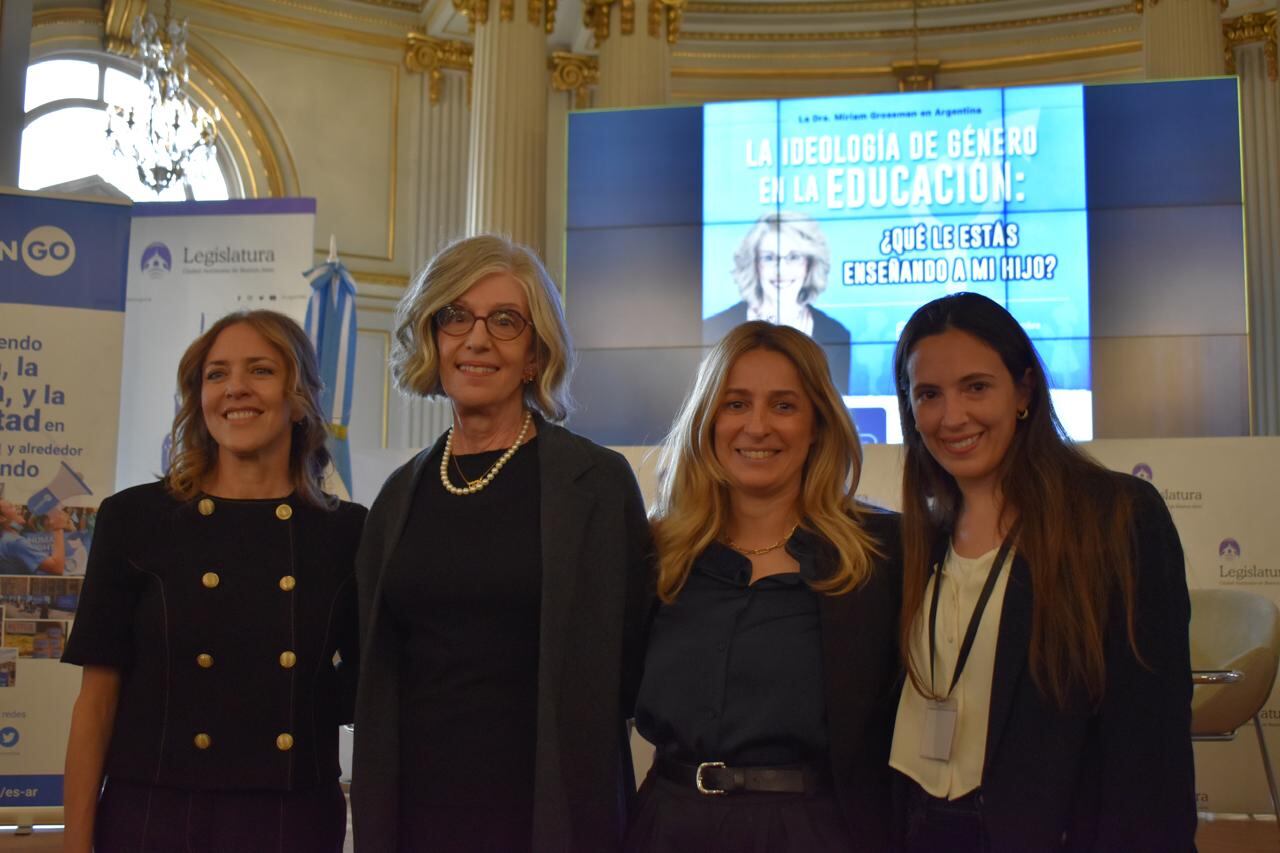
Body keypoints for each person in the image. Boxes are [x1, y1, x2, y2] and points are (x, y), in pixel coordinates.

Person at [351, 234, 653, 853]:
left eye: (505, 321)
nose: (477, 339)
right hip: (416, 810)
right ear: (434, 340)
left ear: (537, 355)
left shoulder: (594, 485)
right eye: (455, 316)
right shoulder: (396, 497)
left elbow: (629, 658)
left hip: (548, 810)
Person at [888, 292, 1195, 852]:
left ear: (1024, 389)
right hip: (925, 830)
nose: (951, 416)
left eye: (976, 387)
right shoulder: (916, 539)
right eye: (928, 394)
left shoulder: (1116, 519)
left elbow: (1150, 748)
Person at [61, 310, 366, 853]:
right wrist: (76, 844)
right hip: (153, 816)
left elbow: (370, 687)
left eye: (261, 371)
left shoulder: (349, 532)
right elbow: (96, 702)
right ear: (198, 398)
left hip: (291, 819)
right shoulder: (134, 519)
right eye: (217, 374)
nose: (236, 389)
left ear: (300, 399)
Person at [627, 321, 900, 852]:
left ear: (817, 423)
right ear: (708, 420)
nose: (757, 426)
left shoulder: (881, 556)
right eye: (735, 404)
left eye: (783, 405)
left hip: (812, 833)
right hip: (667, 828)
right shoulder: (654, 555)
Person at [703, 213, 852, 392]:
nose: (781, 269)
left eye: (794, 257)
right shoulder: (710, 329)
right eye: (769, 258)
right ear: (754, 264)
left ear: (810, 264)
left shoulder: (836, 333)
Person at [0, 499, 71, 575]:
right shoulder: (15, 542)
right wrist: (58, 528)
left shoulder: (5, 539)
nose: (18, 508)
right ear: (1, 518)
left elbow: (15, 528)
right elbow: (57, 568)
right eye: (11, 506)